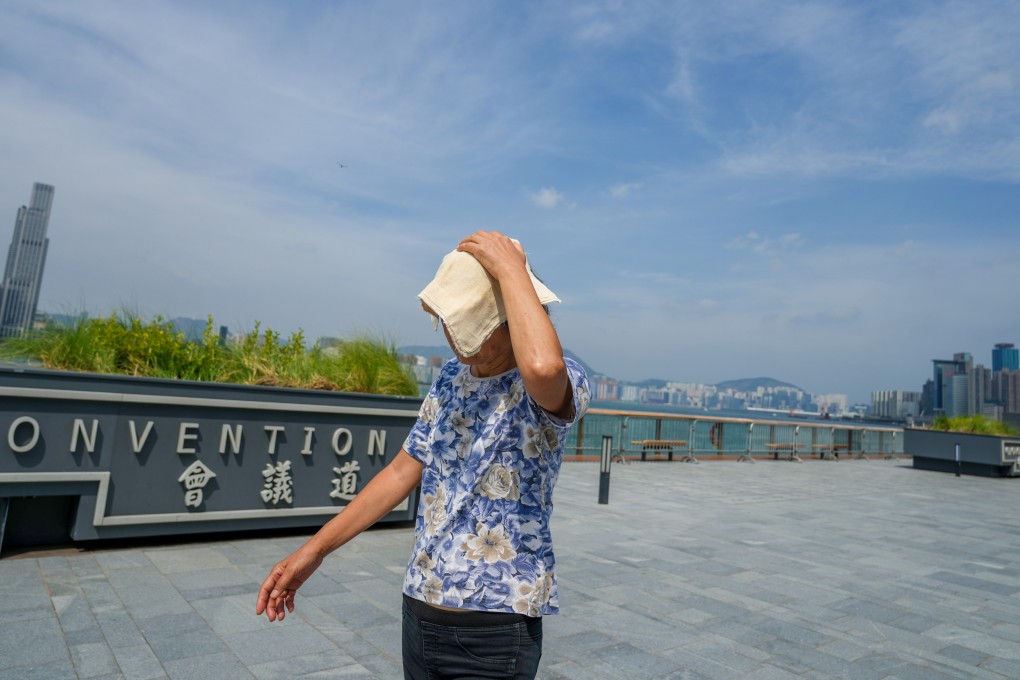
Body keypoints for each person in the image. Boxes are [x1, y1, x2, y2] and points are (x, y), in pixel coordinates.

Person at [256, 230, 590, 679]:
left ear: (509, 317)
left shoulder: (559, 382)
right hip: (421, 608)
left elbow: (543, 368)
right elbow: (399, 472)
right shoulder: (452, 377)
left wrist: (512, 268)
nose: (451, 335)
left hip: (497, 626)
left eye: (466, 322)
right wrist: (315, 550)